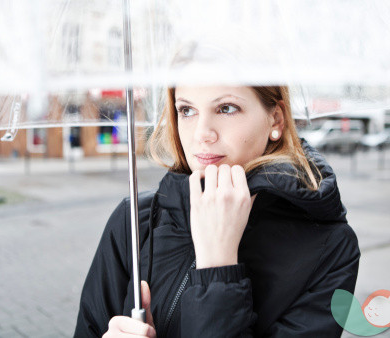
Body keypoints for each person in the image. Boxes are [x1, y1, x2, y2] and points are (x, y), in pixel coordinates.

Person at [75, 85, 360, 337]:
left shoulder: (332, 249)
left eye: (226, 108)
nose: (202, 134)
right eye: (187, 110)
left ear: (275, 119)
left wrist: (218, 268)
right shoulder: (134, 222)